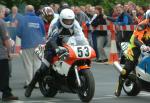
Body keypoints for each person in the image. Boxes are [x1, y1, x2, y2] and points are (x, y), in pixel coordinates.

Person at [25, 8, 88, 97]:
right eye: (66, 20)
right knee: (44, 67)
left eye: (70, 20)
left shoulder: (75, 23)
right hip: (52, 45)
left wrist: (87, 46)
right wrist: (57, 48)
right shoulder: (55, 24)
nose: (69, 22)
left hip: (67, 44)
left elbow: (81, 37)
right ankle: (30, 86)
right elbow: (51, 39)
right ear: (61, 19)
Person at [114, 10, 150, 97]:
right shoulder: (142, 25)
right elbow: (136, 39)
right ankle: (118, 88)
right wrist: (143, 46)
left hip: (148, 44)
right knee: (128, 68)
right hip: (136, 46)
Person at [17, 5, 46, 88]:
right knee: (37, 63)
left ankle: (29, 83)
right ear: (33, 10)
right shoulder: (39, 19)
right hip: (39, 44)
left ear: (26, 10)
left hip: (27, 44)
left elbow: (19, 33)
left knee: (28, 64)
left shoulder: (22, 19)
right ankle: (37, 83)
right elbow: (43, 33)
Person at [0, 4, 18, 101]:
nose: (4, 14)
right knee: (4, 74)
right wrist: (9, 52)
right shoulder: (1, 22)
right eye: (3, 12)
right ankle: (6, 94)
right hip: (1, 55)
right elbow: (6, 39)